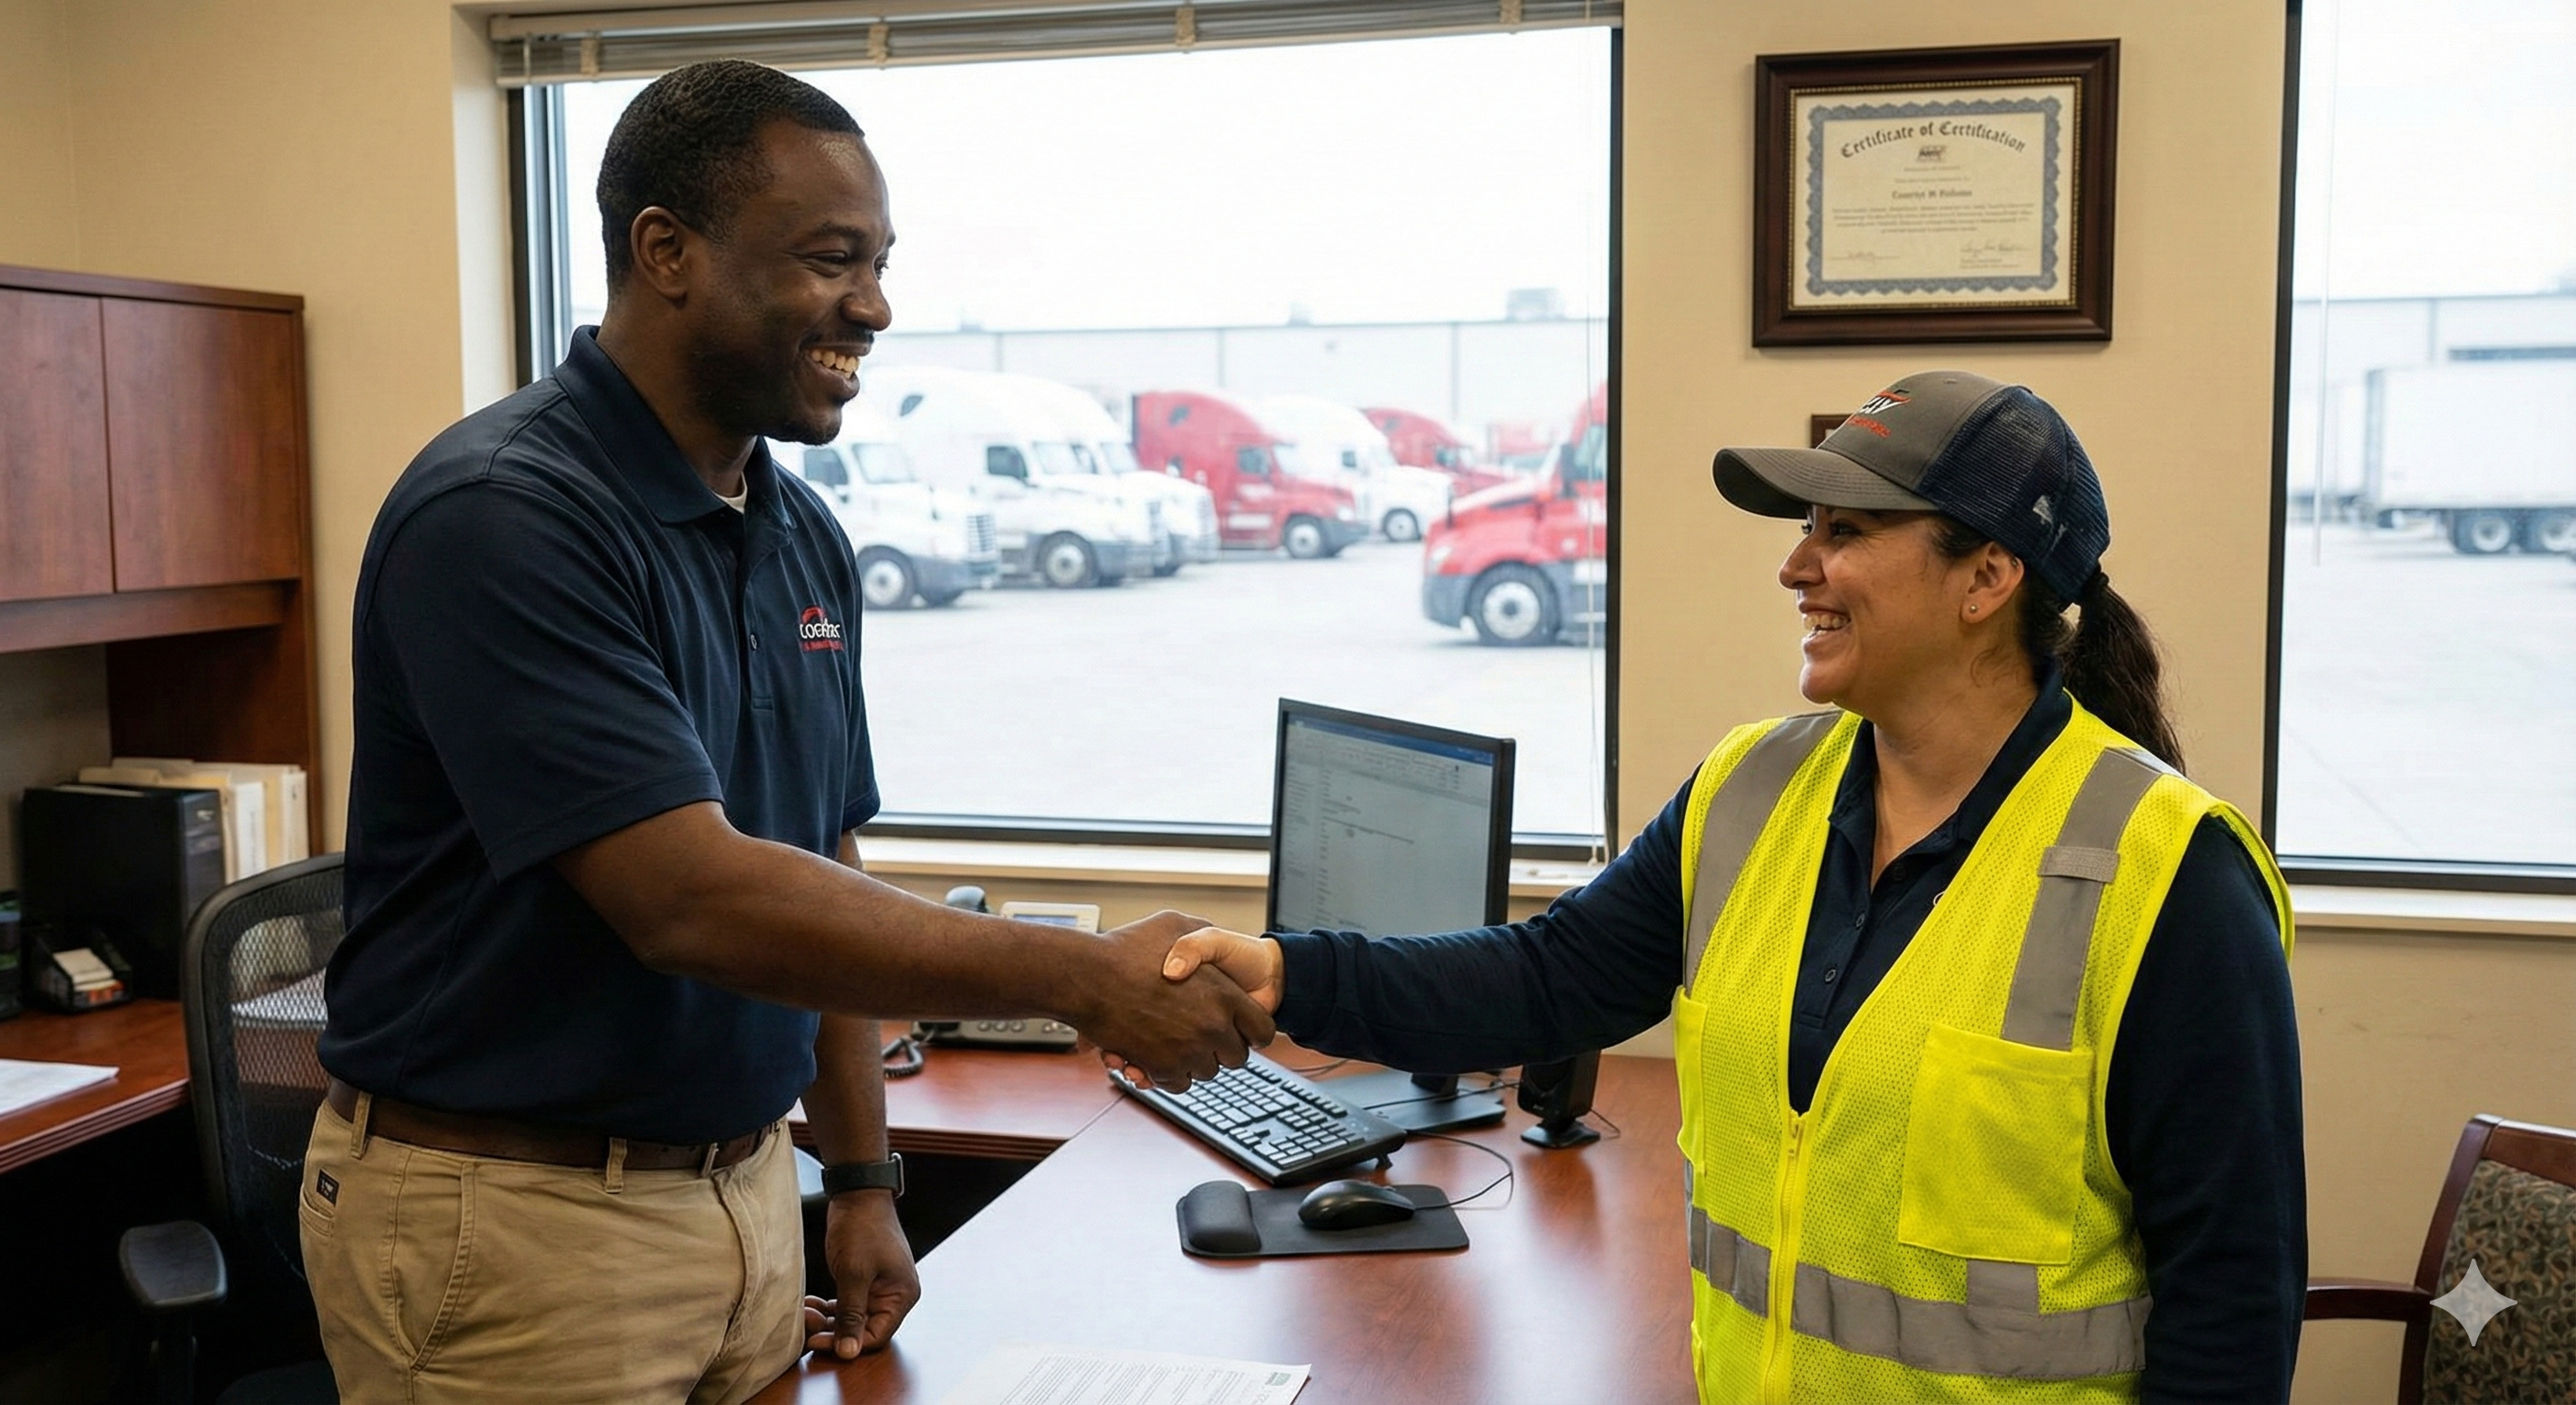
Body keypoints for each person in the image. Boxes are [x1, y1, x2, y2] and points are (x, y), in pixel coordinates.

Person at [305, 60, 1270, 1405]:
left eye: (879, 262)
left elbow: (819, 866)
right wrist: (1075, 974)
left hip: (748, 1189)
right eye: (831, 260)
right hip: (516, 1218)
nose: (873, 306)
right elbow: (692, 902)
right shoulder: (505, 515)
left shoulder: (800, 532)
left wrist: (864, 1179)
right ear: (668, 253)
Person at [1148, 371, 2304, 1403]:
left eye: (1844, 530)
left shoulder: (2170, 877)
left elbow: (2231, 1305)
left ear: (1986, 576)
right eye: (1805, 529)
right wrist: (1287, 972)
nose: (1796, 567)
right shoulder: (1752, 789)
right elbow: (1545, 981)